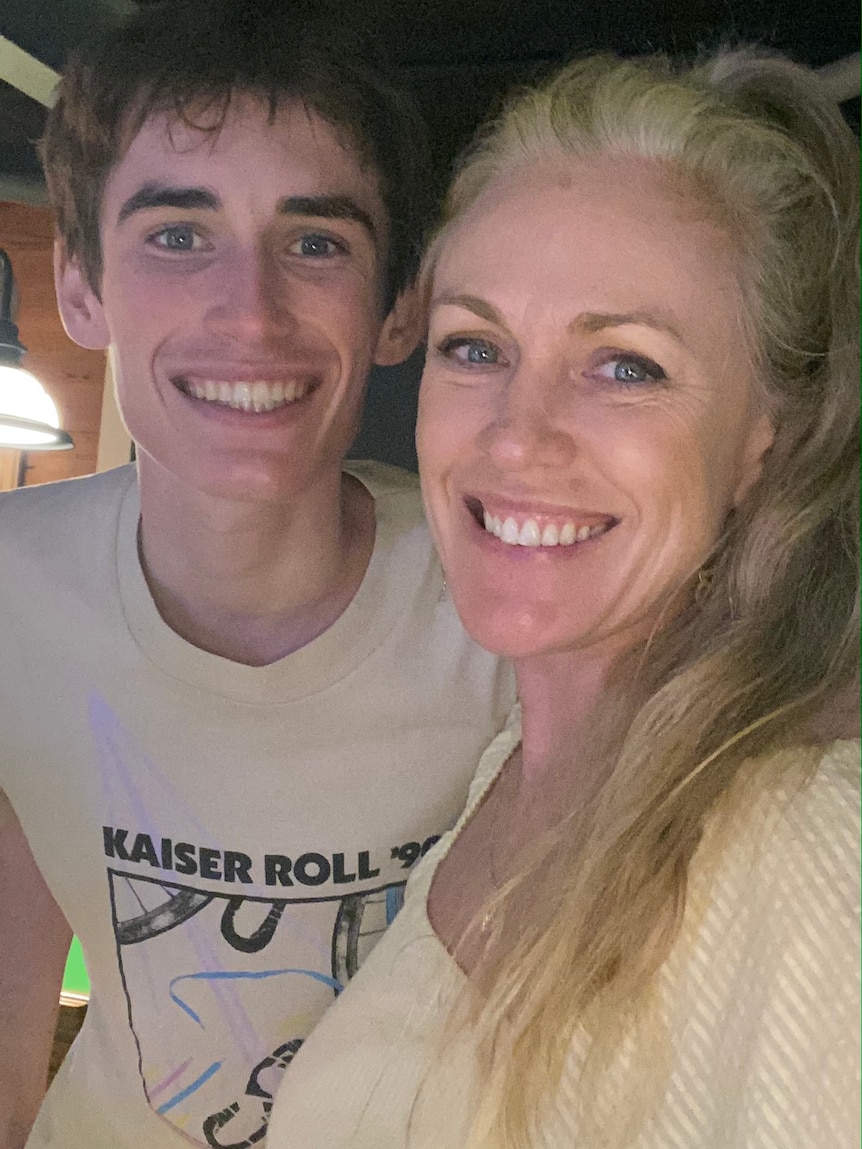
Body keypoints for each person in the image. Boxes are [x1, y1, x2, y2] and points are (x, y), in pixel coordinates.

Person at [267, 46, 860, 1148]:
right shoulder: (507, 774)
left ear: (765, 441)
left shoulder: (817, 851)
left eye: (625, 365)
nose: (515, 435)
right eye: (474, 346)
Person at [0, 2, 516, 1146]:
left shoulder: (509, 614)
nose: (250, 313)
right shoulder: (10, 588)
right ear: (81, 289)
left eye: (316, 241)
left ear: (394, 309)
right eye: (178, 235)